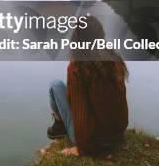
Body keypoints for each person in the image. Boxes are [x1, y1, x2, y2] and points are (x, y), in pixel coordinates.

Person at [47, 16, 128, 156]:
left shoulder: (77, 67)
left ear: (77, 38)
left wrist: (82, 149)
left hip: (92, 140)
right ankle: (60, 126)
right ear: (100, 35)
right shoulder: (115, 60)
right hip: (117, 134)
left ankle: (59, 125)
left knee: (55, 85)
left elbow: (81, 112)